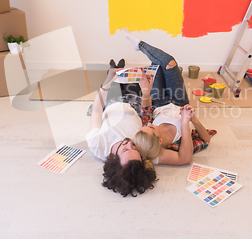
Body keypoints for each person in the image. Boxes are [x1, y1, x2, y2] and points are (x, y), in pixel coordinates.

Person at [121, 29, 217, 165]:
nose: (148, 123)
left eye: (146, 125)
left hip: (158, 101)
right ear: (159, 141)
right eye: (151, 127)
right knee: (169, 63)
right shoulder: (177, 144)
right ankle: (140, 45)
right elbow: (205, 140)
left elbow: (147, 110)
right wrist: (191, 120)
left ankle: (140, 45)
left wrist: (145, 92)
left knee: (157, 65)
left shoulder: (146, 137)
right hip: (179, 101)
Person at [85, 62, 157, 197]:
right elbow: (147, 117)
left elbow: (96, 110)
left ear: (113, 157)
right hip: (134, 103)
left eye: (125, 149)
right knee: (132, 75)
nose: (130, 143)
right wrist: (146, 92)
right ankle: (119, 66)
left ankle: (113, 68)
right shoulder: (143, 149)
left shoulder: (97, 144)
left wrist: (106, 83)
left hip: (111, 102)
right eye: (135, 149)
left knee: (113, 77)